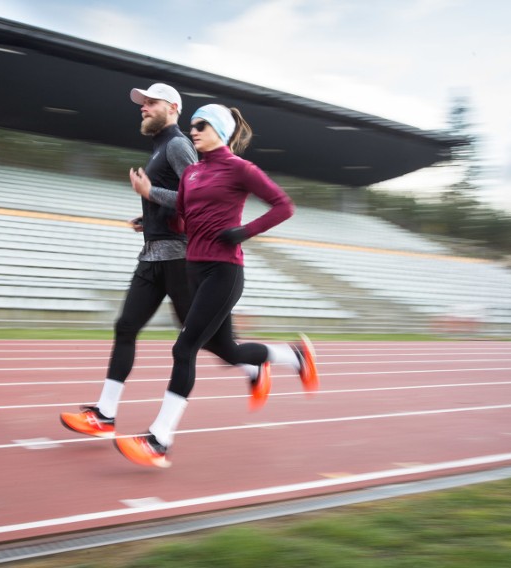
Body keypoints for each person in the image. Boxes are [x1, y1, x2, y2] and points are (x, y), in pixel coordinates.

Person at [113, 103, 319, 468]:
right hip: (194, 268)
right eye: (192, 125)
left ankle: (159, 440)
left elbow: (283, 206)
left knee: (184, 348)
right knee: (226, 350)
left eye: (202, 125)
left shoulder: (240, 169)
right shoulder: (192, 173)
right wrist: (149, 221)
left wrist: (243, 232)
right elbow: (185, 215)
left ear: (220, 132)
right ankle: (294, 357)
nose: (193, 130)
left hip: (224, 271)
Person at [60, 84, 260, 439]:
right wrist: (147, 218)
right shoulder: (159, 147)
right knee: (125, 327)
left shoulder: (179, 144)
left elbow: (197, 195)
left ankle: (257, 367)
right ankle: (104, 415)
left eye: (151, 103)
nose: (143, 108)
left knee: (213, 345)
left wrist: (149, 193)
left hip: (182, 260)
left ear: (172, 108)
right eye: (143, 103)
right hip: (153, 256)